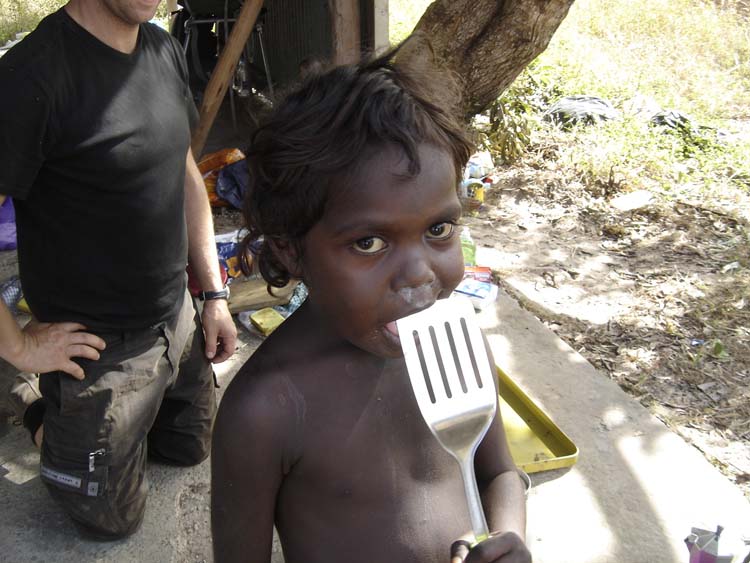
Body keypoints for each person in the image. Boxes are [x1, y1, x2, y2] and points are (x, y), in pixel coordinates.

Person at [211, 38, 531, 563]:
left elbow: (499, 473)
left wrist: (508, 537)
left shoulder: (458, 346)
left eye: (439, 229)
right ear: (290, 249)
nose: (419, 274)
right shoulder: (265, 410)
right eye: (369, 243)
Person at [0, 0, 237, 540]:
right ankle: (34, 401)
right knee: (111, 521)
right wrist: (19, 347)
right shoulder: (29, 77)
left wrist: (214, 295)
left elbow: (184, 174)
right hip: (97, 345)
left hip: (175, 313)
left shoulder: (162, 47)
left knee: (188, 448)